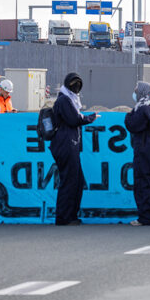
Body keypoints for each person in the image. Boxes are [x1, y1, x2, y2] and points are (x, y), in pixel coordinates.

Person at [50, 73, 97, 225]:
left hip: (70, 145)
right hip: (65, 145)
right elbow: (74, 119)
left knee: (76, 181)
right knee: (69, 181)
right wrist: (90, 118)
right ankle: (64, 217)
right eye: (74, 84)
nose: (76, 87)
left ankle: (71, 215)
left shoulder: (69, 99)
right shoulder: (64, 100)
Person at [125, 81, 150, 226]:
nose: (135, 93)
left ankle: (146, 217)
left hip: (144, 150)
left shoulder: (142, 109)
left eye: (136, 90)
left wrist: (129, 115)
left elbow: (132, 124)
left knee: (143, 182)